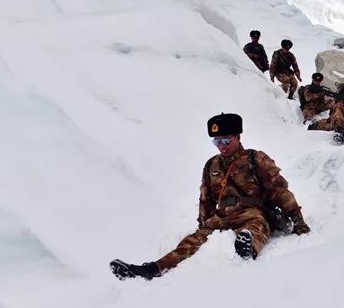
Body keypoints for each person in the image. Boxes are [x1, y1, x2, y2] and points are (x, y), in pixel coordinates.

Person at [110, 113, 310, 280]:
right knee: (189, 243)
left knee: (256, 227)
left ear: (238, 137)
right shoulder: (211, 165)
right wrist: (203, 225)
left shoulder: (255, 159)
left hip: (251, 212)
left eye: (226, 140)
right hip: (220, 217)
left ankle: (247, 247)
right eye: (217, 141)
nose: (221, 146)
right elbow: (205, 198)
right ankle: (153, 268)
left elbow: (279, 190)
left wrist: (297, 219)